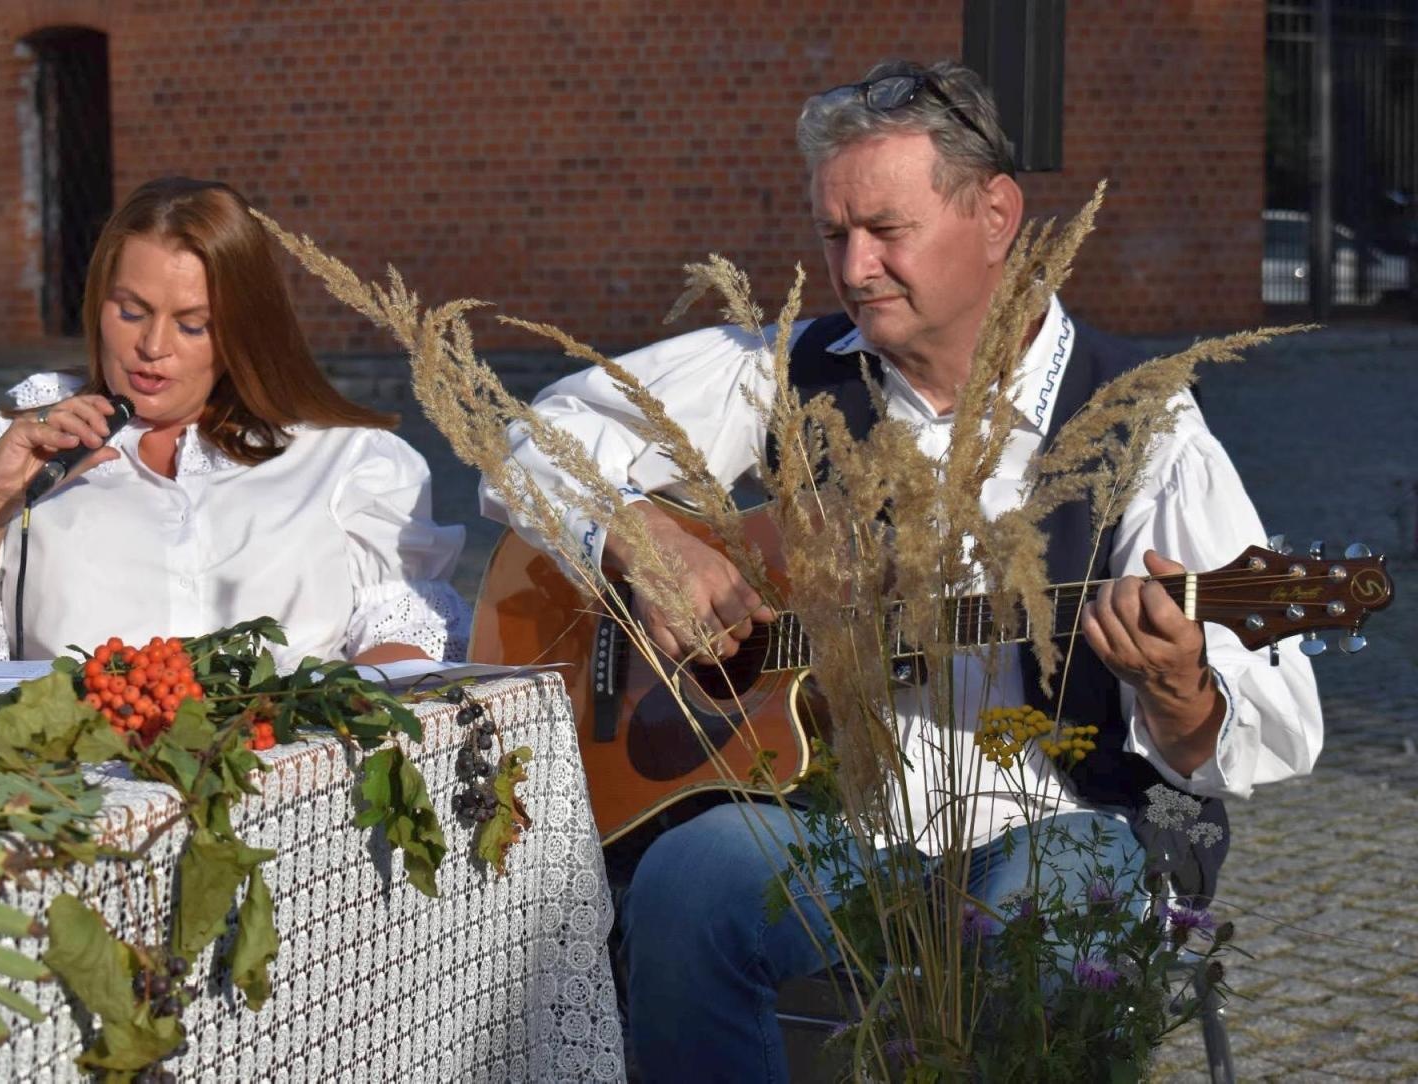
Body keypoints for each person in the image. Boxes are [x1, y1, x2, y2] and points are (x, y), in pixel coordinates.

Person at [480, 59, 1322, 1081]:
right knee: (687, 882)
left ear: (996, 213)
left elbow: (1275, 722)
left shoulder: (1141, 423)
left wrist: (1181, 687)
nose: (855, 265)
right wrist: (635, 535)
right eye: (834, 234)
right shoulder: (787, 371)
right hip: (835, 835)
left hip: (1058, 828)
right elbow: (524, 430)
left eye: (887, 229)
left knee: (1043, 913)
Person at [0, 177, 468, 670]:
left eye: (192, 324)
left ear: (242, 330)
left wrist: (298, 736)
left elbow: (407, 651)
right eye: (131, 311)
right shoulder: (11, 445)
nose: (153, 345)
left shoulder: (345, 463)